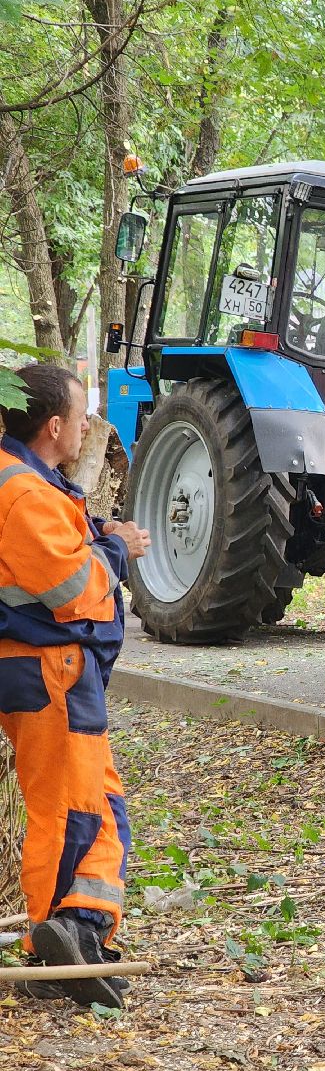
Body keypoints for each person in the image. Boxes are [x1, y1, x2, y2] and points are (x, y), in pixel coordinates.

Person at [0, 363, 150, 1007]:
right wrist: (115, 555)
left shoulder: (33, 484)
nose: (89, 424)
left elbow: (59, 554)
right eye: (81, 414)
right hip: (50, 669)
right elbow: (72, 590)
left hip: (56, 671)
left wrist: (102, 535)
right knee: (71, 812)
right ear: (54, 425)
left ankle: (81, 933)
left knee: (100, 803)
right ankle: (58, 940)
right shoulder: (23, 492)